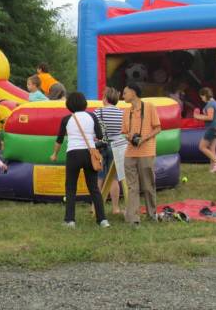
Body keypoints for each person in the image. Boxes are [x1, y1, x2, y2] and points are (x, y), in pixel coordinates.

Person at [50, 92, 111, 228]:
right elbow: (100, 136)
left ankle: (70, 220)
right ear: (84, 103)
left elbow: (59, 140)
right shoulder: (92, 116)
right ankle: (102, 220)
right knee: (94, 188)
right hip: (89, 153)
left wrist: (54, 154)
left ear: (69, 104)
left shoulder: (66, 119)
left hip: (73, 154)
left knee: (71, 188)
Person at [121, 83, 161, 227]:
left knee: (148, 185)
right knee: (132, 186)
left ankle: (152, 213)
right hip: (130, 152)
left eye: (125, 93)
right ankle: (133, 218)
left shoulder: (149, 107)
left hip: (146, 151)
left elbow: (158, 128)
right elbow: (124, 132)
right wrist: (129, 137)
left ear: (133, 92)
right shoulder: (126, 112)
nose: (123, 95)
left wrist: (144, 138)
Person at [94, 87, 123, 214]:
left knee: (99, 177)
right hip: (117, 145)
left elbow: (94, 130)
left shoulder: (98, 112)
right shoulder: (121, 113)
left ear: (105, 98)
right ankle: (115, 207)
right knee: (114, 178)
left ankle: (95, 207)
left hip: (101, 146)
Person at [194, 87, 216, 172]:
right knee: (212, 148)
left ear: (205, 95)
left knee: (202, 147)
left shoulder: (210, 104)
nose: (202, 99)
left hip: (212, 128)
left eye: (202, 97)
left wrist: (197, 116)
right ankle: (213, 167)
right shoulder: (215, 102)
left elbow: (210, 117)